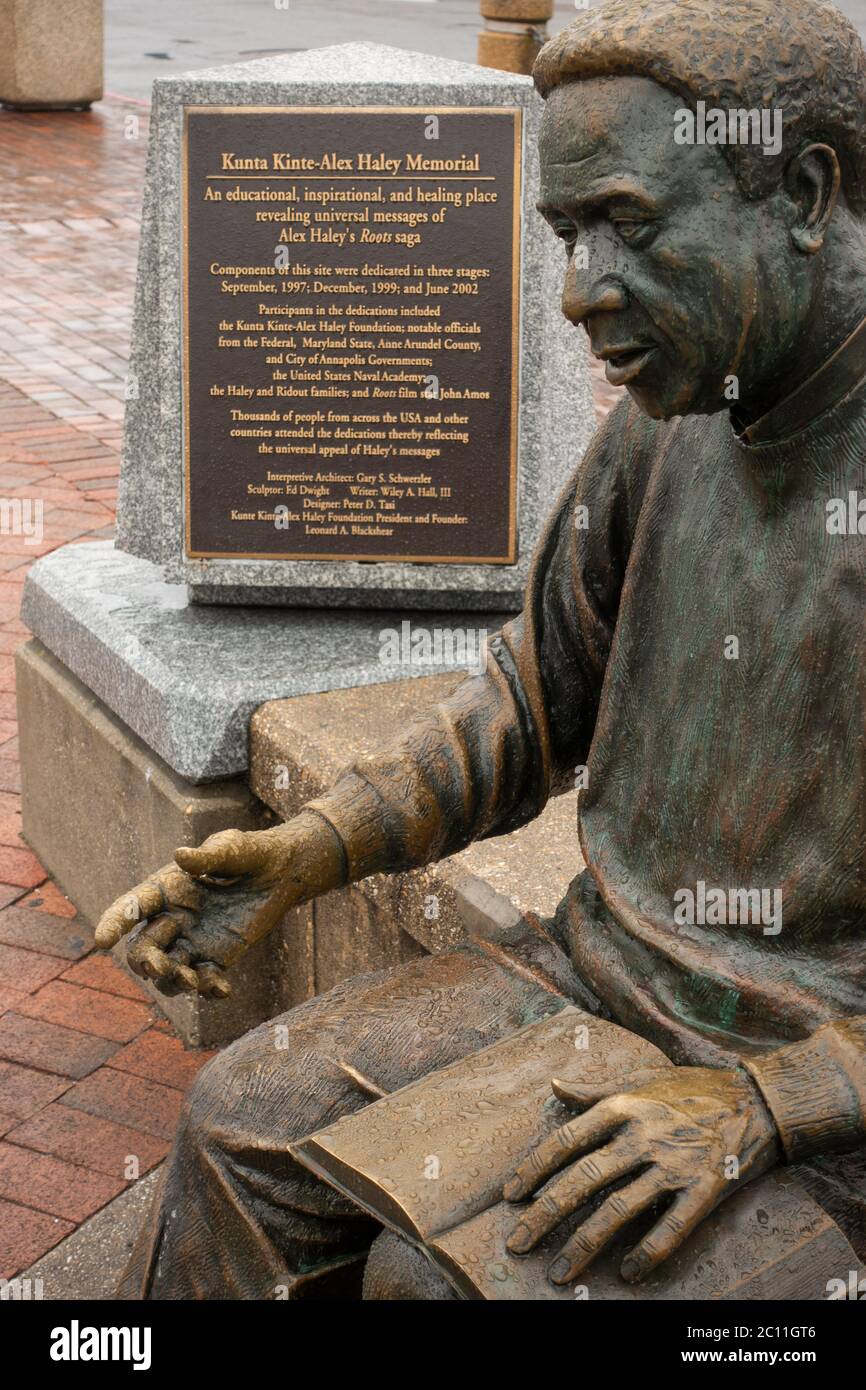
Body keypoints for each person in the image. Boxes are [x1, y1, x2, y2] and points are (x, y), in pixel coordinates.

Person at [99, 0, 866, 1298]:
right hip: (591, 971)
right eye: (566, 234)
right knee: (238, 1121)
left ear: (798, 190)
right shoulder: (679, 404)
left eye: (624, 221)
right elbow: (527, 697)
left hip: (813, 1093)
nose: (576, 292)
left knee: (432, 1279)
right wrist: (310, 847)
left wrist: (764, 1105)